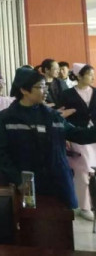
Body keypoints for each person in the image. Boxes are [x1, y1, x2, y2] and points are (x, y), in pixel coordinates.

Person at [0, 67, 96, 209]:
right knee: (31, 220)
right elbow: (0, 155)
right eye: (40, 87)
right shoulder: (7, 118)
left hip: (58, 183)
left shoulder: (52, 116)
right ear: (24, 90)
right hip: (26, 185)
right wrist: (19, 180)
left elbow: (78, 135)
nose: (45, 91)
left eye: (45, 86)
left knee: (61, 220)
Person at [59, 63, 96, 220]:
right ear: (79, 76)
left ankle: (93, 203)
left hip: (93, 135)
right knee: (83, 171)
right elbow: (61, 117)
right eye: (89, 74)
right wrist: (66, 137)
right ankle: (84, 206)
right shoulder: (67, 94)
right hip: (76, 136)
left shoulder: (95, 92)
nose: (92, 77)